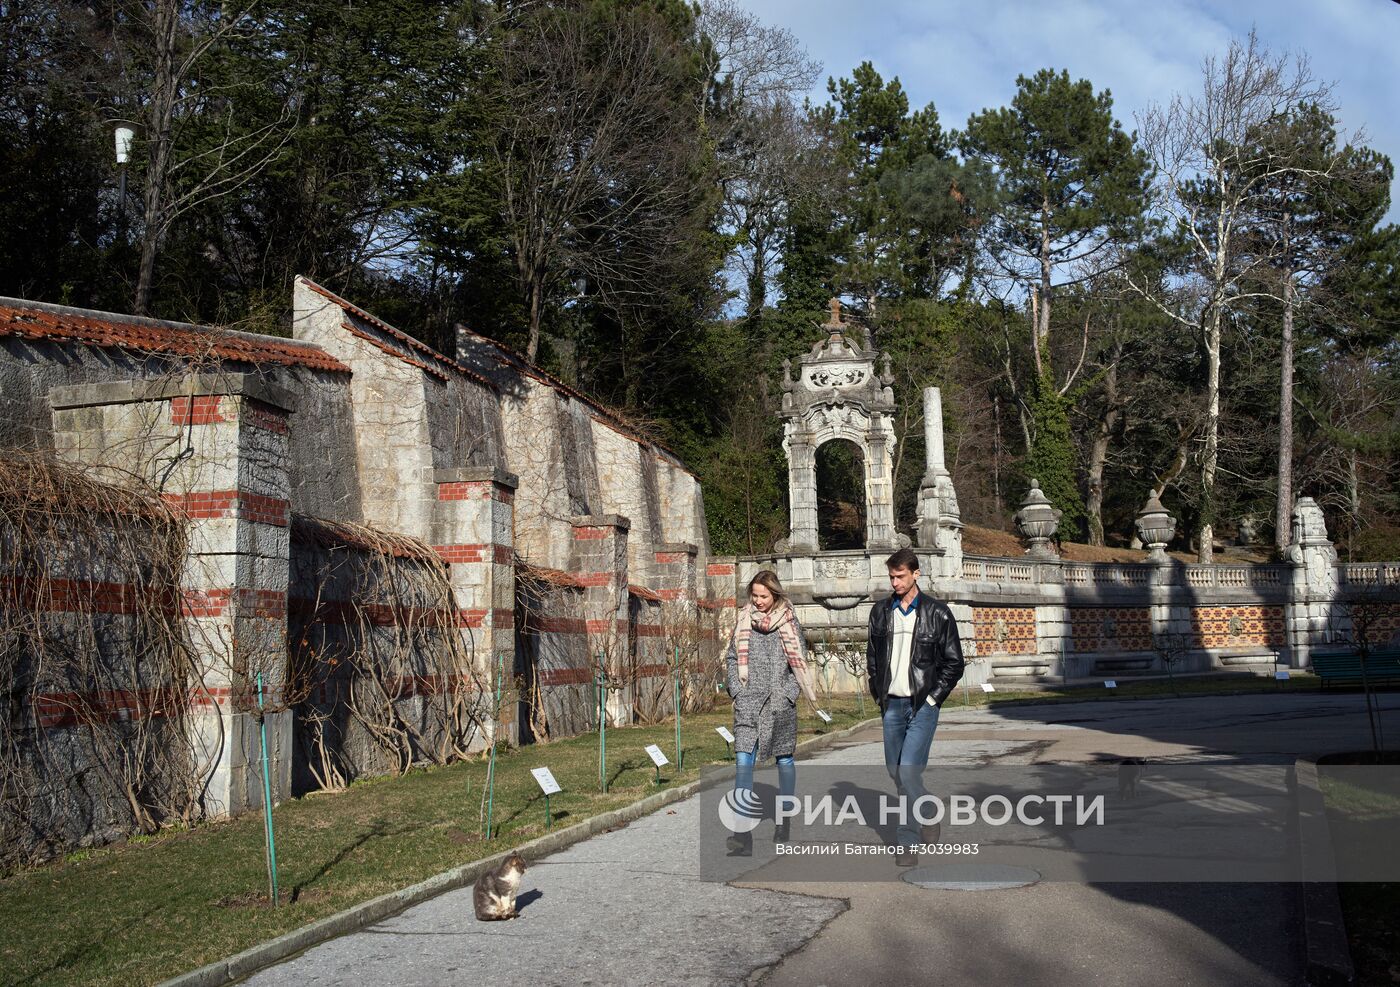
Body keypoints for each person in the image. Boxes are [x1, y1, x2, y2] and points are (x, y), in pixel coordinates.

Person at [866, 547, 965, 864]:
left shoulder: (938, 613)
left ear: (915, 574)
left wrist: (934, 698)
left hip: (923, 705)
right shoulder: (880, 612)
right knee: (897, 773)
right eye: (891, 577)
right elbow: (872, 659)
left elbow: (954, 663)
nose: (894, 582)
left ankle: (907, 842)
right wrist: (878, 693)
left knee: (908, 772)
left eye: (900, 576)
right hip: (892, 705)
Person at [725, 569, 819, 852]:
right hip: (748, 704)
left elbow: (798, 663)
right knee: (743, 763)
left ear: (775, 595)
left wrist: (789, 695)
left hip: (780, 706)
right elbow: (732, 657)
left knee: (785, 761)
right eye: (754, 595)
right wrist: (737, 691)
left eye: (763, 596)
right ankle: (742, 831)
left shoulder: (789, 623)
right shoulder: (743, 620)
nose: (758, 601)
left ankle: (783, 819)